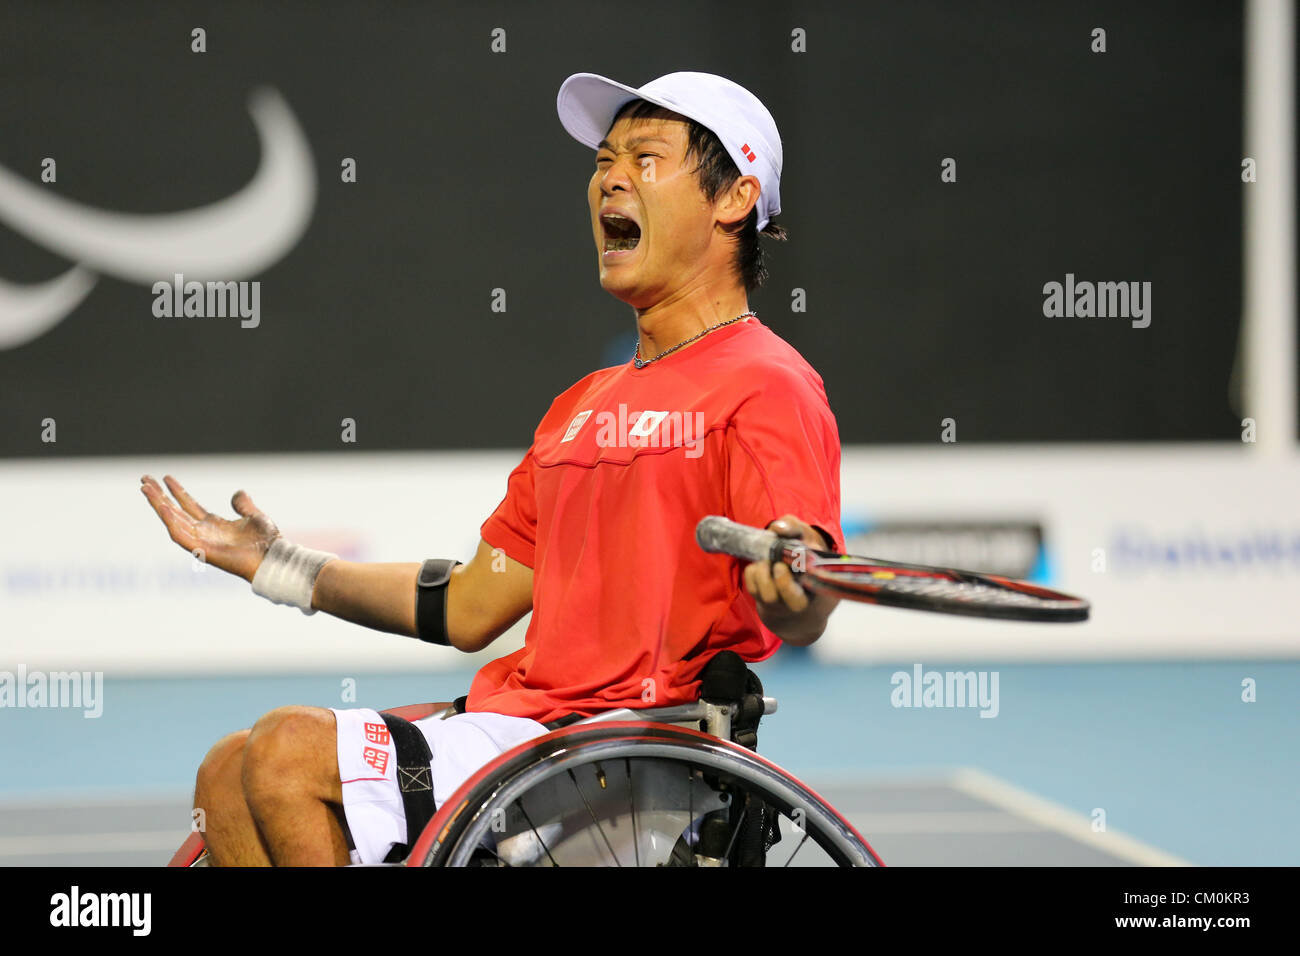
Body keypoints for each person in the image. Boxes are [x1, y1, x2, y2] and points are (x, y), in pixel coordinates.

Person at [140, 70, 844, 866]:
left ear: (734, 198)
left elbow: (803, 585)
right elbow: (472, 605)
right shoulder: (580, 405)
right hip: (528, 737)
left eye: (646, 158)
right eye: (604, 160)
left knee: (283, 753)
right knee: (227, 772)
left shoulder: (768, 383)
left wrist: (796, 585)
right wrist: (282, 565)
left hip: (640, 751)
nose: (610, 177)